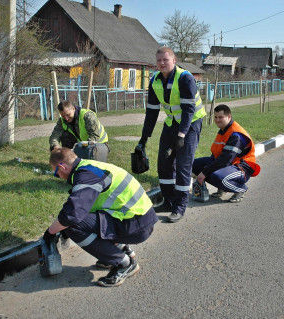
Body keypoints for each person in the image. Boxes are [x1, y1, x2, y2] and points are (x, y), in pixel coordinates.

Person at [43, 147, 158, 287]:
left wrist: (50, 233)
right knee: (80, 221)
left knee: (72, 226)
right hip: (138, 219)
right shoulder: (89, 167)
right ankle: (121, 250)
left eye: (56, 173)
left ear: (62, 166)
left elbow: (72, 214)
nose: (59, 177)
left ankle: (123, 263)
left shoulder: (86, 175)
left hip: (135, 225)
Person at [135, 47, 206, 223]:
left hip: (191, 124)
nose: (162, 63)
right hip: (172, 123)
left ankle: (180, 206)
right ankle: (168, 201)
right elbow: (151, 112)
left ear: (173, 60)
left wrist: (182, 136)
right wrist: (144, 138)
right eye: (159, 60)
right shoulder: (155, 80)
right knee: (164, 164)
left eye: (166, 60)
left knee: (183, 165)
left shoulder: (185, 78)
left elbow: (189, 110)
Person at [192, 104, 260, 203]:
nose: (217, 120)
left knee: (218, 177)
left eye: (220, 117)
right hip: (230, 164)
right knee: (194, 165)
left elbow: (225, 159)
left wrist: (204, 173)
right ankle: (222, 188)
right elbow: (216, 154)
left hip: (242, 167)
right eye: (215, 117)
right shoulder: (224, 130)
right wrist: (204, 169)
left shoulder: (236, 134)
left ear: (229, 117)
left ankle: (241, 189)